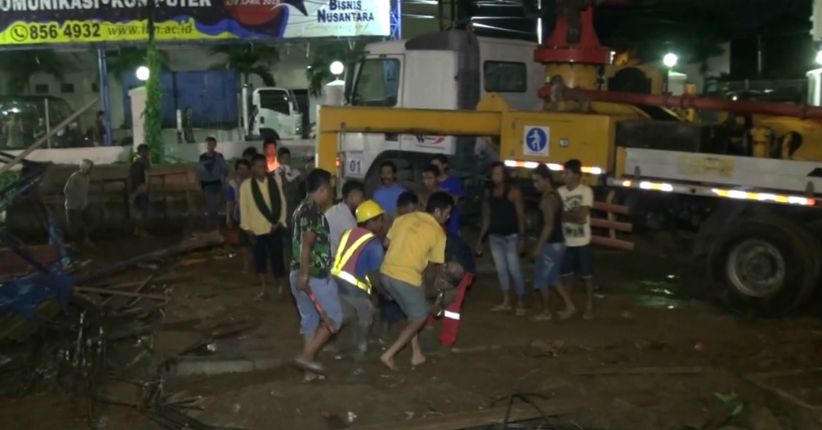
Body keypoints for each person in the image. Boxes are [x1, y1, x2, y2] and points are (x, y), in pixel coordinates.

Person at [379, 191, 453, 370]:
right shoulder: (438, 233)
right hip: (406, 278)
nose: (448, 217)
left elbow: (386, 244)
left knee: (412, 314)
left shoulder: (403, 219)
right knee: (419, 318)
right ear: (437, 211)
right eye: (447, 212)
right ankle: (389, 355)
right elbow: (434, 266)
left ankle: (416, 354)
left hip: (385, 274)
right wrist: (432, 289)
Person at [290, 169, 341, 376]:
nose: (329, 194)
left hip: (297, 273)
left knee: (310, 319)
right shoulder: (312, 212)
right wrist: (305, 273)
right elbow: (307, 242)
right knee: (334, 318)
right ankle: (306, 357)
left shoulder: (299, 209)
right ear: (322, 189)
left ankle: (308, 369)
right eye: (329, 189)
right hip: (312, 275)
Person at [331, 200, 386, 358]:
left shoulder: (348, 233)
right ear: (372, 221)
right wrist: (384, 293)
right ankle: (360, 350)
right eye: (380, 220)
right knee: (366, 314)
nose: (382, 223)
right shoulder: (374, 244)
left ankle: (341, 346)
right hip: (354, 287)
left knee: (348, 314)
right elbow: (375, 275)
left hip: (335, 280)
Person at [475, 161, 527, 316]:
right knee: (501, 269)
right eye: (493, 174)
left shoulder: (513, 192)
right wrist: (480, 239)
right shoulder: (489, 193)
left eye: (498, 174)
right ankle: (506, 301)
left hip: (511, 236)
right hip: (495, 236)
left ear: (504, 175)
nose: (495, 177)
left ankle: (520, 301)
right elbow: (487, 218)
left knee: (514, 269)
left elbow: (521, 216)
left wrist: (522, 238)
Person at [240, 154, 288, 301]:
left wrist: (279, 222)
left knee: (277, 259)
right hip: (256, 229)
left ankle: (281, 287)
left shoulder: (274, 182)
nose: (261, 169)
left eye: (263, 166)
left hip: (273, 227)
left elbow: (282, 202)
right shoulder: (246, 186)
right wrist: (247, 228)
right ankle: (263, 289)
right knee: (260, 261)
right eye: (258, 166)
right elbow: (244, 207)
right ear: (253, 168)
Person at [531, 164, 575, 321]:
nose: (534, 185)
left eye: (537, 181)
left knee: (543, 278)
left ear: (545, 180)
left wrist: (538, 246)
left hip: (551, 244)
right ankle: (569, 306)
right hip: (557, 243)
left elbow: (548, 225)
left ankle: (546, 311)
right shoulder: (554, 196)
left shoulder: (547, 200)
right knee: (553, 278)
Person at [558, 159, 595, 319]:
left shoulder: (586, 191)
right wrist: (573, 215)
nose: (563, 175)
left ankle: (589, 306)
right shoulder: (559, 192)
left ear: (576, 176)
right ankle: (569, 305)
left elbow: (581, 218)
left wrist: (565, 215)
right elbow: (577, 216)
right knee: (567, 275)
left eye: (567, 173)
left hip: (582, 241)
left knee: (586, 275)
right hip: (566, 241)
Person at [326, 181, 365, 258]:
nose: (363, 201)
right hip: (331, 261)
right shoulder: (348, 222)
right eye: (361, 197)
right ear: (351, 197)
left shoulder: (333, 209)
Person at [197, 137, 228, 229]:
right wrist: (199, 182)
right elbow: (200, 172)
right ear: (206, 145)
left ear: (215, 145)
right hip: (207, 184)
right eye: (208, 144)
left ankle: (214, 225)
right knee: (211, 205)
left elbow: (224, 169)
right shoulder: (202, 157)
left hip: (217, 183)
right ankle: (211, 225)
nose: (210, 146)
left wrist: (223, 179)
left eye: (212, 144)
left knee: (216, 205)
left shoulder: (219, 156)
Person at [226, 159, 252, 271]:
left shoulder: (253, 183)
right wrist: (229, 216)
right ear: (236, 170)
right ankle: (246, 263)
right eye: (240, 169)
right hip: (240, 216)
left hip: (255, 217)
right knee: (243, 242)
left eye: (245, 169)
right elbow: (230, 201)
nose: (243, 172)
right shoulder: (232, 184)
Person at [430, 154, 464, 236]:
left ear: (444, 165)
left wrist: (441, 191)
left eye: (436, 165)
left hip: (451, 225)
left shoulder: (454, 182)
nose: (434, 168)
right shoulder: (429, 181)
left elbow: (456, 201)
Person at [64, 159, 95, 246]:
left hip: (83, 205)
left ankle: (85, 239)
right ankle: (76, 244)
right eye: (90, 168)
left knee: (90, 220)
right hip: (73, 207)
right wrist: (75, 202)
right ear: (86, 167)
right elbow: (66, 190)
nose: (91, 170)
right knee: (74, 227)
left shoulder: (87, 178)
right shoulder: (75, 177)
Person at [129, 144, 151, 237]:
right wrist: (146, 185)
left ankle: (137, 230)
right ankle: (142, 231)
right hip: (141, 187)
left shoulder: (135, 163)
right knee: (143, 211)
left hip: (134, 188)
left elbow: (131, 177)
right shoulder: (145, 162)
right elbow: (146, 175)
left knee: (137, 210)